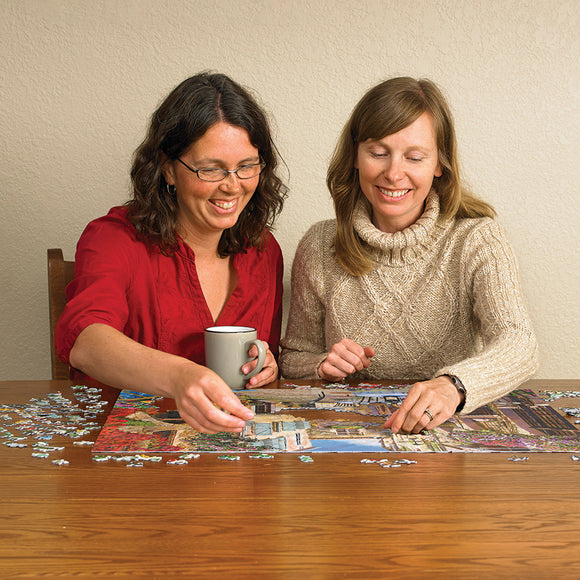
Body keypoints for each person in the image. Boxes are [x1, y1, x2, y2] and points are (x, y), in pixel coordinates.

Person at [280, 76, 538, 434]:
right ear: (356, 156)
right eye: (378, 153)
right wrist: (323, 365)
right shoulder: (319, 244)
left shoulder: (478, 238)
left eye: (414, 157)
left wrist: (453, 386)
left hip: (448, 436)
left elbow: (519, 343)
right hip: (349, 438)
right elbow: (292, 359)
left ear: (439, 164)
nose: (393, 173)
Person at [56, 72, 287, 434]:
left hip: (232, 456)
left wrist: (267, 364)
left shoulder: (264, 251)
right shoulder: (113, 239)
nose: (232, 185)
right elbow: (86, 342)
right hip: (126, 458)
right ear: (167, 168)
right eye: (209, 169)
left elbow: (263, 357)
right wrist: (181, 377)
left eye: (246, 166)